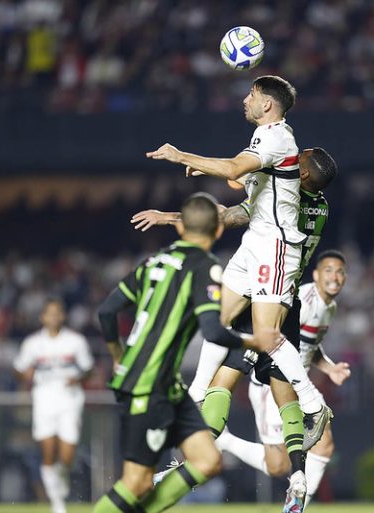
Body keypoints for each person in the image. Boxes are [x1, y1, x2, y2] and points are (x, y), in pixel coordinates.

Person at [134, 146, 337, 512]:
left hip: (260, 293)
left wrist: (186, 169)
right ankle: (299, 479)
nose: (292, 158)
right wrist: (235, 178)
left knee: (221, 380)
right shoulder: (317, 205)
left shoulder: (283, 192)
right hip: (283, 298)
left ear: (302, 174)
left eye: (299, 158)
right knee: (282, 396)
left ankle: (190, 455)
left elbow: (232, 186)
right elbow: (242, 192)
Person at [146, 75, 330, 438]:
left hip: (275, 247)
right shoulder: (268, 140)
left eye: (252, 94)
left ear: (267, 104)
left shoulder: (277, 135)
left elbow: (233, 169)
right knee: (217, 319)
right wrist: (200, 174)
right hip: (254, 244)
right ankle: (195, 397)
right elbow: (241, 187)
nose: (245, 99)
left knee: (266, 334)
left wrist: (179, 154)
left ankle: (313, 404)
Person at [92, 193, 281, 513]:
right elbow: (214, 331)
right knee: (136, 482)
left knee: (207, 460)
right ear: (219, 231)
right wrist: (253, 342)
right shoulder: (206, 268)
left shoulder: (153, 263)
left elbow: (108, 312)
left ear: (181, 231)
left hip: (160, 383)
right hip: (147, 385)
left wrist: (116, 355)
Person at [216, 250, 350, 510]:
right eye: (329, 270)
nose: (335, 276)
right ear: (315, 275)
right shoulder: (306, 301)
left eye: (340, 271)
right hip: (274, 383)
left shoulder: (329, 308)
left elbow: (309, 345)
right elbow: (272, 332)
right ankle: (224, 440)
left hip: (299, 384)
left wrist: (329, 368)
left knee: (323, 447)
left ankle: (295, 507)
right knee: (277, 466)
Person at [13, 298, 94, 513]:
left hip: (69, 398)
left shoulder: (76, 341)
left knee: (67, 455)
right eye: (49, 313)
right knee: (48, 452)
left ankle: (62, 477)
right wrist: (24, 375)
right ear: (42, 317)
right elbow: (19, 369)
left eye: (57, 313)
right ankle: (57, 503)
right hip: (44, 399)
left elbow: (89, 368)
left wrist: (77, 378)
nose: (54, 317)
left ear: (63, 316)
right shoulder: (32, 344)